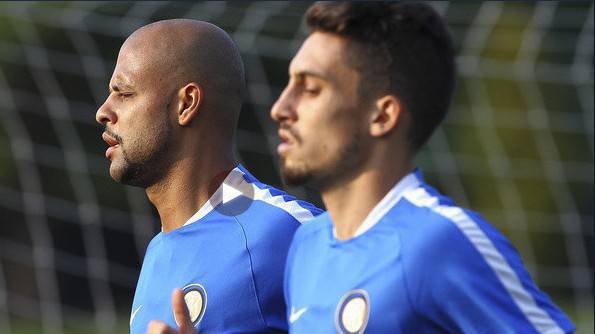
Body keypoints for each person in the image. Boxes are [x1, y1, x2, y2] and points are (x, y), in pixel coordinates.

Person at [271, 2, 575, 333]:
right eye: (289, 84)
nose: (280, 108)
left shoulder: (439, 242)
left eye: (311, 88)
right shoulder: (307, 244)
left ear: (383, 116)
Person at [95, 19, 322, 334]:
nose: (103, 111)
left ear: (186, 104)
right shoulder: (157, 254)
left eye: (124, 93)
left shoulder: (292, 232)